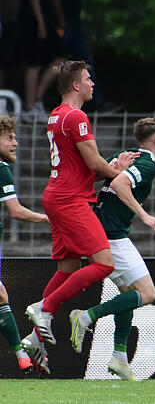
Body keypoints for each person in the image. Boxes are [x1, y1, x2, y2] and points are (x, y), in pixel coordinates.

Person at [22, 60, 137, 374]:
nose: (92, 84)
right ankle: (43, 309)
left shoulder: (56, 116)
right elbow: (95, 163)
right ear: (76, 85)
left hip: (58, 196)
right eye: (88, 79)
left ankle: (35, 337)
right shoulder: (76, 116)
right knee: (104, 264)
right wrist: (118, 173)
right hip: (71, 201)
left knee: (69, 267)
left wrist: (111, 168)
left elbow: (83, 165)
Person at [68, 116, 155, 381]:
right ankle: (87, 316)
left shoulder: (125, 155)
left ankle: (120, 357)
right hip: (111, 235)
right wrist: (144, 215)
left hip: (99, 229)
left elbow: (91, 177)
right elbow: (119, 184)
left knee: (128, 292)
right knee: (147, 294)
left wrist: (113, 166)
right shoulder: (147, 163)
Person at [0, 115, 49, 374]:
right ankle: (22, 354)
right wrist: (47, 217)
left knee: (1, 296)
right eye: (9, 137)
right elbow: (16, 211)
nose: (15, 142)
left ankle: (21, 355)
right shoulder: (1, 168)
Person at [52, 0, 111, 112]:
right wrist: (61, 21)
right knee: (60, 62)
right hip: (66, 24)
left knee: (78, 63)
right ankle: (95, 103)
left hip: (74, 22)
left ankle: (95, 102)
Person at [18, 0, 66, 121]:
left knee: (59, 57)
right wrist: (40, 22)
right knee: (34, 62)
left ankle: (37, 99)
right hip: (33, 21)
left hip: (48, 20)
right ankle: (29, 106)